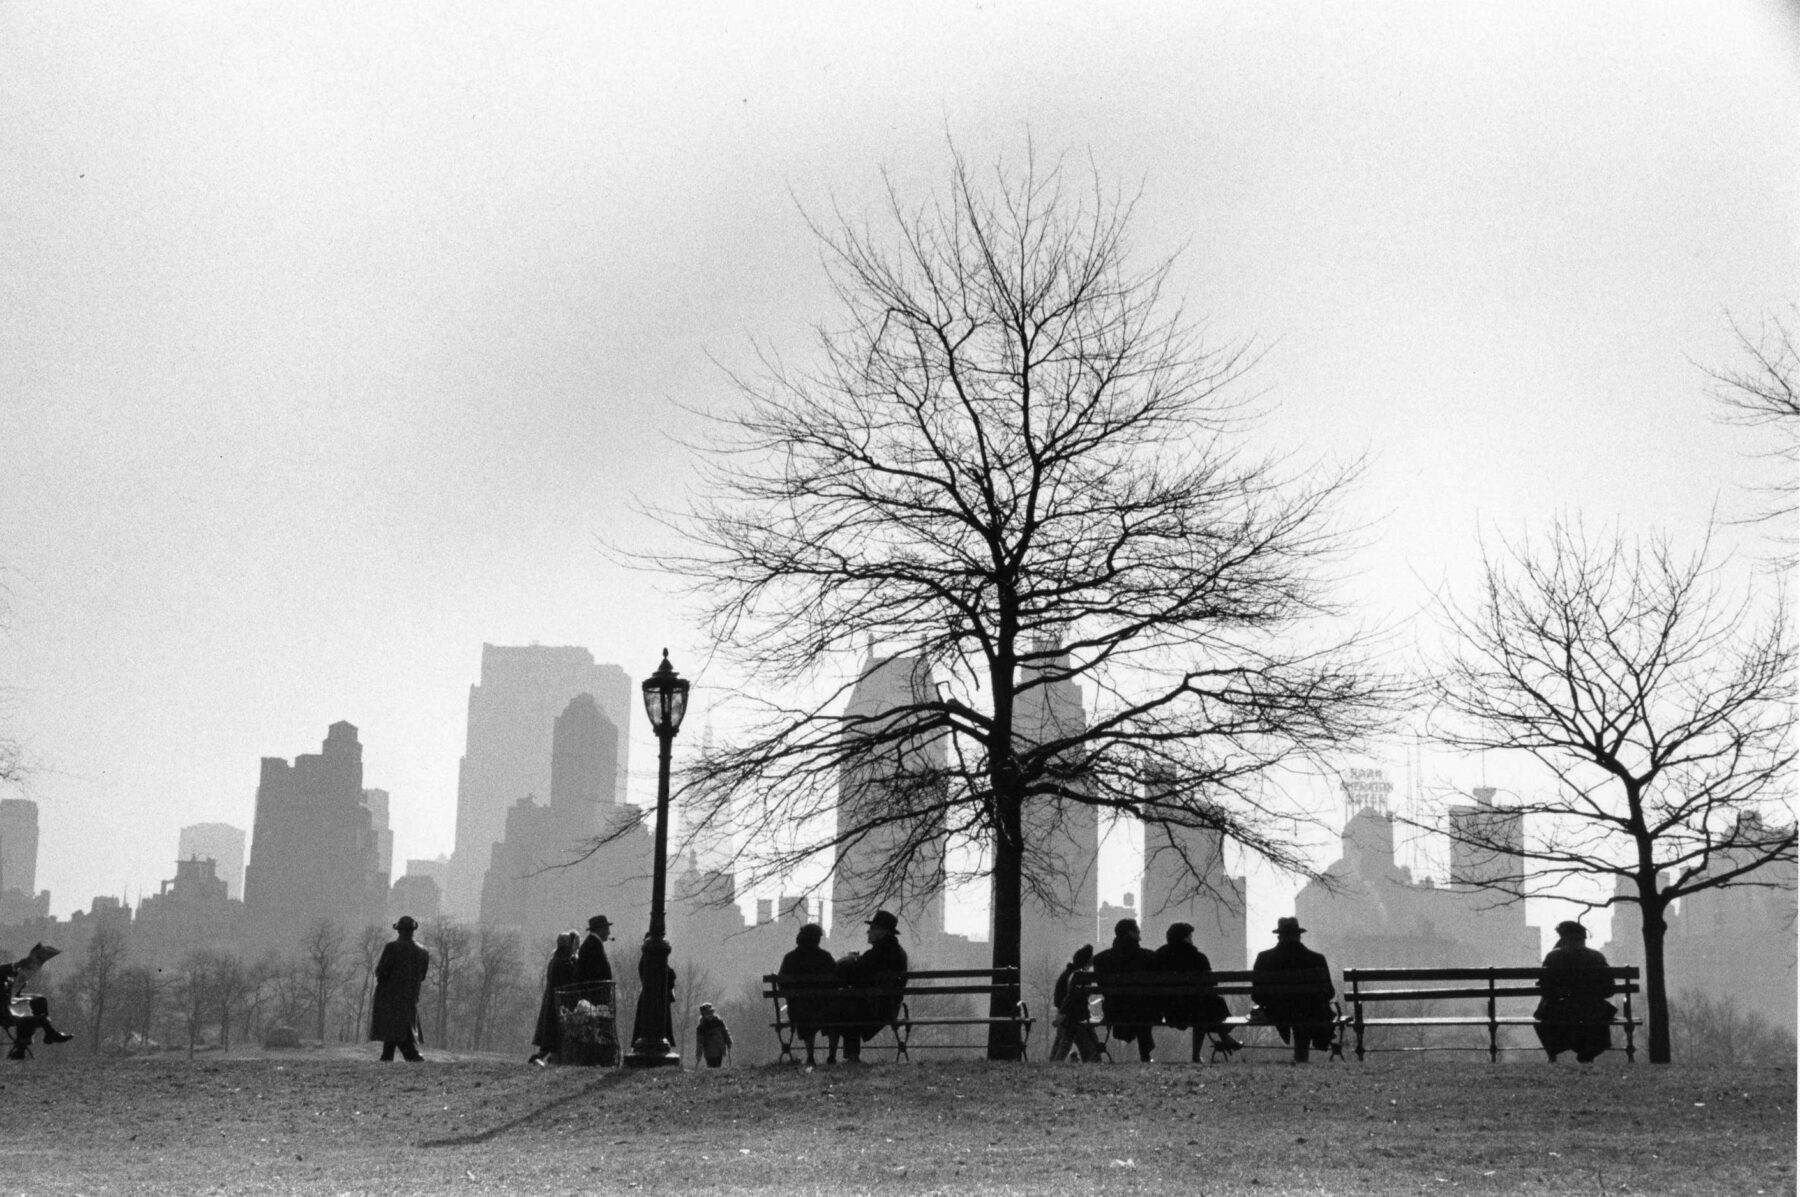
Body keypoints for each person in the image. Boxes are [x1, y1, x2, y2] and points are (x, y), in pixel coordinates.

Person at [1251, 917, 1336, 1063]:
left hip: (1278, 1012)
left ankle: (1300, 1059)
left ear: (1279, 936)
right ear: (1299, 935)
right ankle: (1302, 1059)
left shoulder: (1264, 958)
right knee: (1305, 1013)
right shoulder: (1316, 959)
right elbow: (1329, 993)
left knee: (1296, 1012)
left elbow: (1257, 995)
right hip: (1309, 1011)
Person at [1153, 922, 1241, 1060]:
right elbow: (1212, 983)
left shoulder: (1158, 957)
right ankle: (1202, 1051)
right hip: (1196, 1011)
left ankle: (1225, 1037)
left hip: (1169, 1011)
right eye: (1190, 936)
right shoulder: (1198, 957)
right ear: (1186, 938)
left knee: (1203, 1006)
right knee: (1206, 1007)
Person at [1535, 921, 1618, 1063]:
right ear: (1583, 938)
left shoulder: (1554, 957)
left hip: (1560, 1010)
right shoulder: (1596, 957)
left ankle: (1553, 1053)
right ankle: (1587, 1054)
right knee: (1591, 1014)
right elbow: (1609, 989)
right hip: (1592, 1010)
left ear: (1563, 938)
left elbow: (1545, 989)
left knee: (1543, 1015)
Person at [836, 909, 909, 1063]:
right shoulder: (897, 952)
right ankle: (851, 1056)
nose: (868, 932)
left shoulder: (878, 953)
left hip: (876, 1007)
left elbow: (854, 974)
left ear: (882, 932)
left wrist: (846, 960)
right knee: (848, 1004)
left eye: (872, 929)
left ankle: (851, 1056)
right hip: (890, 1005)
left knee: (844, 1007)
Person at [1092, 918, 1160, 1062]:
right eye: (1137, 930)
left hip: (1114, 1011)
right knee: (1142, 1006)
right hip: (1144, 1013)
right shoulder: (1149, 957)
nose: (1140, 932)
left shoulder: (1100, 959)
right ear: (1130, 933)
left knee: (1134, 1006)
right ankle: (1145, 1053)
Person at [777, 922, 840, 1066]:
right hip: (826, 1008)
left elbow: (782, 983)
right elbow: (836, 981)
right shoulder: (825, 957)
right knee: (834, 1019)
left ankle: (810, 1056)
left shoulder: (791, 958)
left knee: (806, 1018)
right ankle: (832, 1055)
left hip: (799, 1009)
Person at [369, 916, 430, 1062]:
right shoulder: (423, 951)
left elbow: (381, 972)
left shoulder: (392, 947)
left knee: (396, 1030)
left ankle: (411, 1056)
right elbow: (422, 976)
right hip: (410, 997)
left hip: (390, 997)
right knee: (399, 1029)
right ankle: (388, 1057)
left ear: (399, 930)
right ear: (412, 931)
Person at [1, 943, 73, 1059]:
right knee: (31, 1015)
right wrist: (16, 965)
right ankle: (49, 1033)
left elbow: (10, 986)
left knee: (39, 1001)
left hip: (7, 1002)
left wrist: (20, 979)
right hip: (3, 1009)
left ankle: (24, 1046)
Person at [529, 930, 580, 1066]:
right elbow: (571, 977)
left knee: (550, 1037)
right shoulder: (564, 963)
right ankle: (543, 1059)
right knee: (555, 1034)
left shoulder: (555, 960)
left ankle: (543, 1058)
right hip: (559, 1004)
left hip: (552, 1002)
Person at [1047, 943, 1102, 1063]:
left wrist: (1061, 1013)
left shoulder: (1068, 974)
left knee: (1064, 1041)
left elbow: (1063, 998)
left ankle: (1055, 1062)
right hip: (1074, 1016)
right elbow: (1072, 998)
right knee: (1086, 1043)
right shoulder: (1079, 976)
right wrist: (1063, 1013)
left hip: (1068, 1015)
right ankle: (1093, 1060)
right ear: (1087, 961)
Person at [575, 915, 613, 986]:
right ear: (600, 929)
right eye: (607, 929)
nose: (609, 933)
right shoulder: (593, 945)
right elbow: (594, 972)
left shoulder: (592, 943)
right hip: (594, 993)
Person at [694, 1002, 733, 1068]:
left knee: (718, 1067)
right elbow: (699, 1043)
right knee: (713, 1068)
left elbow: (725, 1032)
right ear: (703, 1015)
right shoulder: (702, 1027)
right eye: (707, 1014)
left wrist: (729, 1041)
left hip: (720, 1050)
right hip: (710, 1054)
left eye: (711, 1013)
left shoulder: (719, 1022)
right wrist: (698, 1055)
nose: (710, 1015)